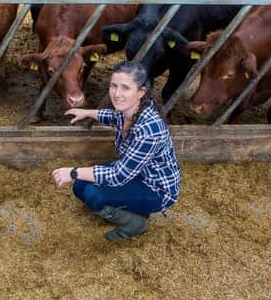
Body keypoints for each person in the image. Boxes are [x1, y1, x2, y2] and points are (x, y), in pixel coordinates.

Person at [52, 61, 180, 241]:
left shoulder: (149, 130)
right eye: (114, 86)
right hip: (135, 172)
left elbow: (119, 175)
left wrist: (72, 171)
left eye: (125, 88)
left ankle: (135, 223)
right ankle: (132, 207)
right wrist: (86, 113)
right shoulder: (129, 110)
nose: (117, 94)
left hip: (155, 189)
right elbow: (112, 117)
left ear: (141, 92)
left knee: (93, 194)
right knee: (80, 185)